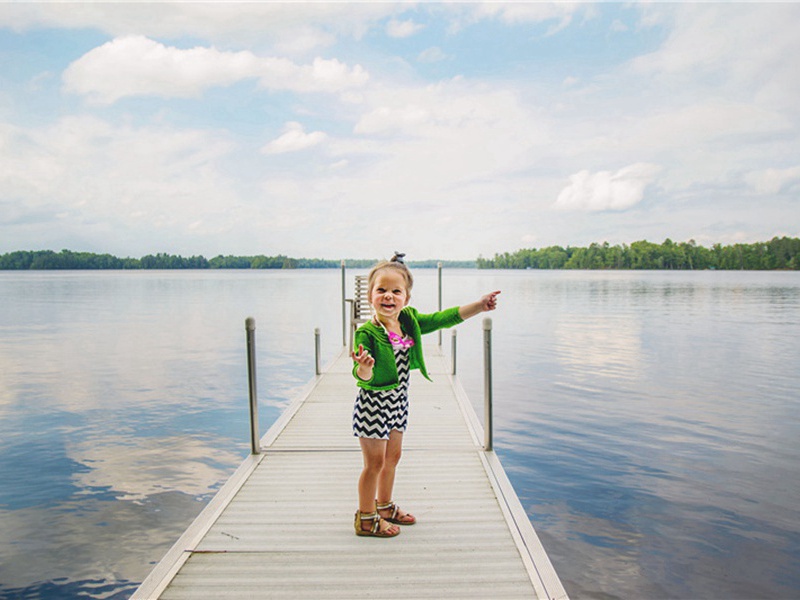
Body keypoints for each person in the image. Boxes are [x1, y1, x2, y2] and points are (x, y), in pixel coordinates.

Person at [351, 252, 500, 537]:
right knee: (374, 464)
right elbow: (361, 376)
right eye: (381, 290)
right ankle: (366, 518)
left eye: (396, 291)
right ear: (370, 295)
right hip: (373, 406)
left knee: (393, 458)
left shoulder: (408, 321)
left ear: (406, 298)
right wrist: (365, 368)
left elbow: (443, 318)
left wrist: (480, 306)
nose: (389, 296)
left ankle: (384, 506)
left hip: (398, 404)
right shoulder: (367, 333)